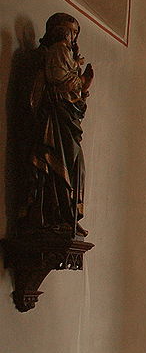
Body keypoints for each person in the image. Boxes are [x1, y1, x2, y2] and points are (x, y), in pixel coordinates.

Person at [22, 13, 94, 237]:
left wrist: (82, 87)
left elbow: (74, 98)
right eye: (71, 31)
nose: (73, 36)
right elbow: (58, 80)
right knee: (61, 163)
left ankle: (66, 216)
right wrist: (82, 81)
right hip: (55, 122)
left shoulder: (66, 55)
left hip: (67, 121)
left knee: (75, 166)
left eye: (75, 32)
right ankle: (55, 216)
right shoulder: (59, 50)